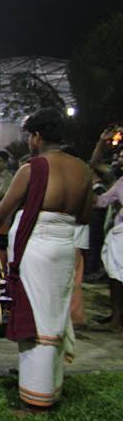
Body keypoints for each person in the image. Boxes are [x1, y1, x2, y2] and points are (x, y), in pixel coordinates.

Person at [0, 108, 92, 411]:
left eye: (29, 136)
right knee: (54, 314)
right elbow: (85, 215)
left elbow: (1, 212)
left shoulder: (33, 168)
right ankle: (51, 384)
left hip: (36, 248)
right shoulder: (82, 170)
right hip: (65, 246)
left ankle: (35, 396)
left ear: (37, 137)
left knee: (34, 317)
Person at [93, 131, 123, 330]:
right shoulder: (120, 182)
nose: (119, 159)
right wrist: (101, 142)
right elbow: (102, 201)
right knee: (116, 277)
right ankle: (117, 316)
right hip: (119, 233)